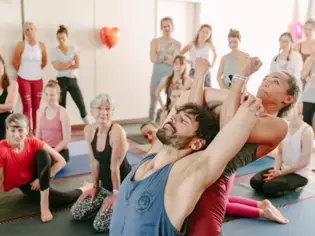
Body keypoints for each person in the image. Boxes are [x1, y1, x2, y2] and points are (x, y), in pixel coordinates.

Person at [109, 57, 267, 235]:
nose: (173, 118)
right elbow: (185, 102)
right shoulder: (152, 155)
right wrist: (200, 74)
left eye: (182, 120)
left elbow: (228, 138)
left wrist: (241, 82)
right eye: (176, 115)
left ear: (197, 143)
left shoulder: (187, 175)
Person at [162, 57, 299, 235]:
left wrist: (241, 77)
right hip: (181, 170)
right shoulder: (242, 101)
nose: (266, 81)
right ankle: (261, 208)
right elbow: (193, 112)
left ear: (288, 98)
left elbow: (229, 131)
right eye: (266, 78)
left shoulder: (279, 125)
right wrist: (200, 75)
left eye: (275, 81)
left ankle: (261, 209)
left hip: (210, 183)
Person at [0, 113, 90, 223]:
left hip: (40, 172)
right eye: (12, 130)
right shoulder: (2, 150)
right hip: (25, 183)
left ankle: (83, 189)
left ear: (27, 130)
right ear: (7, 130)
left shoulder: (33, 142)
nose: (16, 134)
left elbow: (61, 161)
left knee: (43, 154)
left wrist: (42, 179)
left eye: (20, 130)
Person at [70, 94, 131, 232]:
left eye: (108, 109)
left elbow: (114, 167)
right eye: (99, 108)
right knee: (76, 213)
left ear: (112, 112)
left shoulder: (117, 132)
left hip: (122, 187)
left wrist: (116, 194)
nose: (103, 112)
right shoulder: (89, 130)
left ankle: (127, 205)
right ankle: (104, 203)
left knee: (99, 225)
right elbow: (94, 162)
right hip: (104, 187)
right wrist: (95, 187)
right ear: (92, 111)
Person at [250, 102, 313, 197]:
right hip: (282, 169)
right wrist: (275, 170)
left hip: (299, 174)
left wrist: (280, 173)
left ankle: (296, 186)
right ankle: (278, 180)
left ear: (299, 109)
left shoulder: (307, 131)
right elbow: (280, 153)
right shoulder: (284, 127)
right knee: (255, 182)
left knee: (269, 187)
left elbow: (304, 162)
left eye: (291, 107)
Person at [12, 22, 47, 135]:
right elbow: (14, 62)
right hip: (23, 79)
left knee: (36, 107)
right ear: (24, 32)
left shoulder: (41, 45)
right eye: (27, 30)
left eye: (31, 29)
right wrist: (24, 72)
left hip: (38, 79)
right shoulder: (21, 45)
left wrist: (35, 71)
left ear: (35, 30)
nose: (29, 31)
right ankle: (28, 131)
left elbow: (44, 61)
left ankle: (36, 130)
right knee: (27, 106)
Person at [51, 25, 89, 124]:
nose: (61, 40)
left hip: (72, 80)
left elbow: (77, 65)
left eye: (63, 38)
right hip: (60, 81)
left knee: (80, 103)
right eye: (59, 38)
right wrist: (70, 62)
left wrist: (63, 65)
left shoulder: (73, 48)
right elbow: (57, 67)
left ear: (67, 37)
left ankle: (88, 125)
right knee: (61, 106)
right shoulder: (54, 51)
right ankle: (62, 128)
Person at [149, 17, 181, 120]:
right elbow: (153, 59)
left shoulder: (177, 43)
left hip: (170, 75)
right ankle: (150, 123)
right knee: (153, 99)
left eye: (168, 26)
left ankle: (169, 122)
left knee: (170, 100)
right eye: (164, 26)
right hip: (156, 74)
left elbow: (174, 61)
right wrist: (167, 58)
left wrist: (161, 58)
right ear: (161, 28)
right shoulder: (154, 42)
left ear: (172, 27)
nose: (166, 28)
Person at [36, 80, 71, 162]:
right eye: (46, 94)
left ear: (58, 95)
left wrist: (52, 152)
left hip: (59, 151)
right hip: (45, 150)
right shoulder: (40, 112)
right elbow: (38, 135)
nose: (49, 97)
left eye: (52, 95)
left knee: (45, 164)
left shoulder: (63, 112)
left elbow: (67, 139)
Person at [0, 55, 18, 140]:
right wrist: (4, 107)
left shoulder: (12, 84)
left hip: (7, 125)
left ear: (3, 66)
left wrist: (7, 107)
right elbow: (6, 107)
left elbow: (10, 106)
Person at [300, 48, 315, 126]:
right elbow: (302, 75)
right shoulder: (310, 60)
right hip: (309, 96)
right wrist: (310, 62)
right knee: (306, 121)